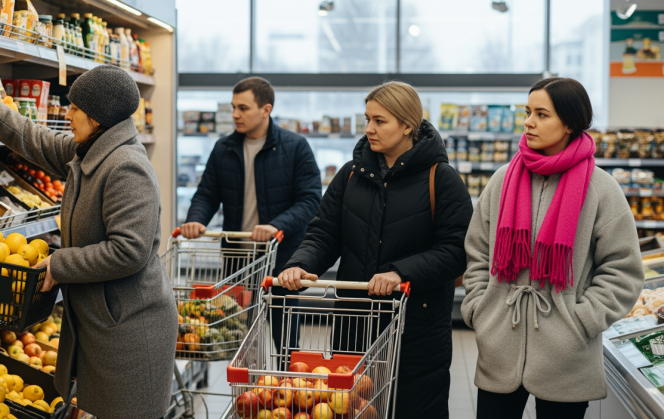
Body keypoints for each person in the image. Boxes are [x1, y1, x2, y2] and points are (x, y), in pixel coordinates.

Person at [0, 66, 178, 419]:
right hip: (104, 322)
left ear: (99, 118)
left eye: (75, 108)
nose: (68, 114)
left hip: (131, 331)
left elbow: (129, 251)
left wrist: (59, 264)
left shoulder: (125, 167)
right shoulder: (90, 151)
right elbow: (30, 136)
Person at [277, 81, 473, 418]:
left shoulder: (441, 179)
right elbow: (323, 233)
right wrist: (300, 263)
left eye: (380, 121)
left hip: (416, 329)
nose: (369, 128)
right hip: (355, 322)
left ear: (407, 125)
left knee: (414, 408)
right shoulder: (351, 175)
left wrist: (401, 271)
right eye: (367, 119)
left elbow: (457, 250)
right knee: (353, 408)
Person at [461, 77, 644, 419]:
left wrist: (583, 320)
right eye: (528, 112)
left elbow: (623, 270)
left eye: (541, 114)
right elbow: (477, 250)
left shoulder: (601, 189)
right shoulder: (503, 179)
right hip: (500, 344)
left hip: (568, 354)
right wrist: (479, 308)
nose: (528, 122)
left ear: (570, 123)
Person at [181, 76, 321, 353]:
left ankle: (285, 389)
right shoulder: (224, 148)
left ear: (266, 109)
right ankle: (250, 395)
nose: (235, 115)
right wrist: (195, 219)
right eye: (233, 107)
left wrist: (276, 226)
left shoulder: (295, 147)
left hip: (283, 263)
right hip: (238, 263)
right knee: (240, 341)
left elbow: (310, 200)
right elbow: (207, 194)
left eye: (243, 108)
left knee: (285, 343)